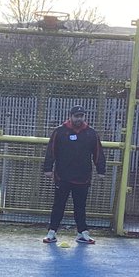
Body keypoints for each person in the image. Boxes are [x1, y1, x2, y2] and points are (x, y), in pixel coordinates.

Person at [42, 105, 106, 245]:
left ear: (84, 117)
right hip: (62, 176)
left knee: (80, 206)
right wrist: (48, 168)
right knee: (58, 205)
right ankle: (52, 232)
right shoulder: (59, 131)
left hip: (83, 177)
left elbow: (98, 152)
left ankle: (82, 233)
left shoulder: (91, 133)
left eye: (81, 116)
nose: (79, 118)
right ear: (70, 116)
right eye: (76, 116)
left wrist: (101, 170)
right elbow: (51, 150)